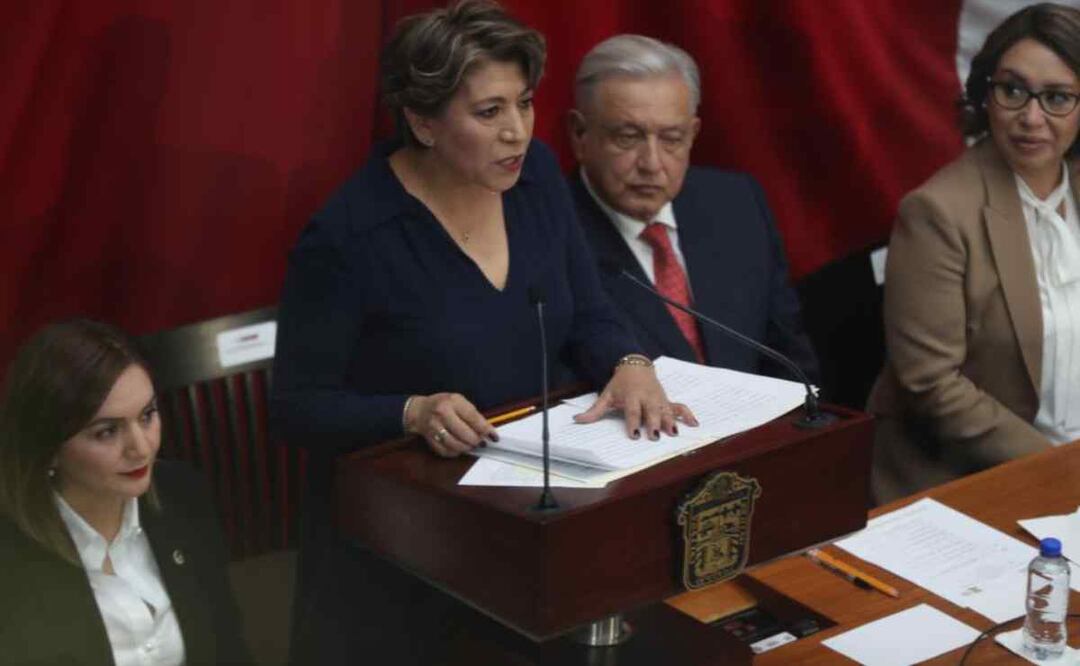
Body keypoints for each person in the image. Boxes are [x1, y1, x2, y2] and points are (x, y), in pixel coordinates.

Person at [270, 2, 696, 663]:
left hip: (526, 526)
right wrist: (411, 411)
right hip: (403, 559)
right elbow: (297, 407)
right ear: (422, 121)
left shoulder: (537, 184)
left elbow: (589, 311)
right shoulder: (352, 238)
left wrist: (631, 362)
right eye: (489, 112)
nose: (518, 133)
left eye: (523, 104)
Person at [868, 3, 1080, 503]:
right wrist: (1061, 469)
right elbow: (931, 385)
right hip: (972, 479)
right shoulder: (938, 212)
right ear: (985, 94)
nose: (1031, 118)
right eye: (1012, 91)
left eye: (1056, 98)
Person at [567, 34, 819, 382]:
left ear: (693, 133)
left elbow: (790, 363)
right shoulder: (552, 232)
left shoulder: (736, 204)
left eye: (671, 138)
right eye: (628, 137)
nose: (652, 163)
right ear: (580, 135)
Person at [0, 319, 252, 666]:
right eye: (107, 432)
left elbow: (227, 646)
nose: (141, 448)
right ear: (50, 447)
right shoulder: (11, 555)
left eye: (147, 415)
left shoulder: (183, 495)